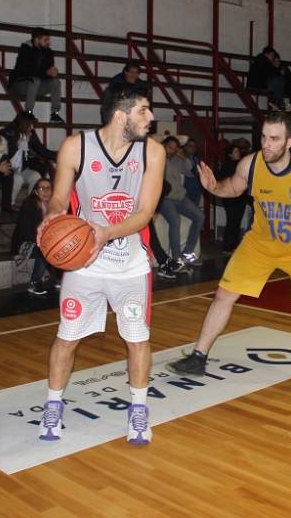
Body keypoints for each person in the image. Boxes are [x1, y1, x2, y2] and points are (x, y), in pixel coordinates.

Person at [165, 111, 291, 396]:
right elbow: (232, 188)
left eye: (274, 139)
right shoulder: (251, 164)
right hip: (258, 245)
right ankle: (198, 357)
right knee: (223, 295)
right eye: (263, 137)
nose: (266, 144)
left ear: (289, 141)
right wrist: (213, 187)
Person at [35, 82, 165, 445]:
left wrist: (106, 233)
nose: (151, 118)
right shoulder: (75, 146)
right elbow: (60, 197)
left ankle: (138, 411)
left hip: (129, 264)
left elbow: (145, 213)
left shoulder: (152, 152)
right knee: (66, 338)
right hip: (83, 266)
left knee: (137, 339)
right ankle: (53, 407)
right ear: (121, 115)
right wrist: (53, 218)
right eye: (144, 110)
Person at [159, 135, 205, 268]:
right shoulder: (158, 159)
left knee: (200, 216)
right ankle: (176, 257)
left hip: (181, 198)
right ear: (164, 147)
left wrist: (184, 158)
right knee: (175, 220)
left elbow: (191, 173)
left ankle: (188, 252)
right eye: (170, 147)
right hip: (165, 199)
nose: (172, 150)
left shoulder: (178, 160)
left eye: (174, 148)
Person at [11, 178, 58, 295]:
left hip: (43, 241)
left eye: (48, 188)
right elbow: (26, 233)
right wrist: (45, 241)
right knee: (45, 249)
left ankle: (57, 277)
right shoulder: (28, 207)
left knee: (59, 246)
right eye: (42, 188)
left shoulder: (54, 208)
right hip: (26, 243)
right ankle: (34, 283)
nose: (46, 191)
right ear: (36, 192)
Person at [8, 27, 63, 122]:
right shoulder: (25, 49)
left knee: (55, 82)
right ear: (37, 40)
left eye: (48, 39)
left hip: (36, 85)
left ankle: (55, 114)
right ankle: (28, 113)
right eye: (45, 40)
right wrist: (46, 72)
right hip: (20, 84)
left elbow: (46, 72)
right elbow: (25, 71)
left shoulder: (48, 52)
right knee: (35, 80)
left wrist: (51, 72)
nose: (48, 42)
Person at [2, 111, 58, 201]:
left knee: (36, 176)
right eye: (30, 124)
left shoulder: (29, 136)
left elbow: (42, 151)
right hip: (7, 169)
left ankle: (31, 203)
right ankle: (9, 204)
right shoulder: (6, 135)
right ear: (23, 124)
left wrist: (60, 156)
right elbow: (2, 156)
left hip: (22, 169)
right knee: (18, 179)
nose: (32, 127)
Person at [219, 144, 247, 254]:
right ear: (230, 155)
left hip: (241, 198)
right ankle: (228, 246)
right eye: (235, 152)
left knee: (237, 221)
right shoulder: (226, 167)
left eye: (238, 151)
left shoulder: (240, 166)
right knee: (231, 221)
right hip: (230, 199)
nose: (238, 153)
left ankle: (235, 244)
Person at [182, 138, 203, 205]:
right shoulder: (182, 158)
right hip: (187, 190)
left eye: (194, 146)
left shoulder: (197, 159)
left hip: (197, 190)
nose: (192, 148)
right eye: (190, 146)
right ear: (185, 147)